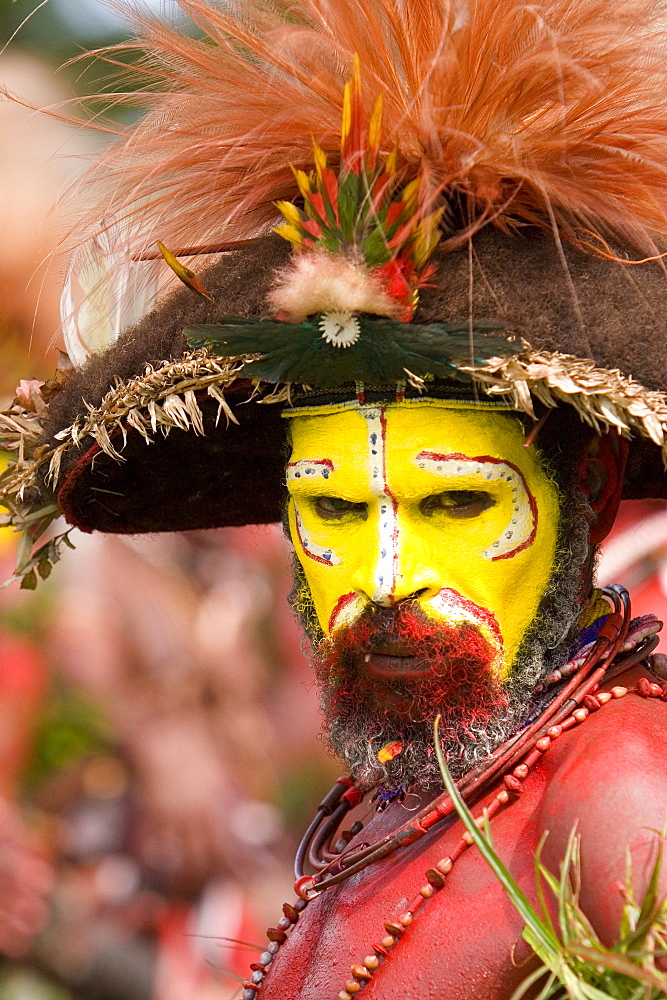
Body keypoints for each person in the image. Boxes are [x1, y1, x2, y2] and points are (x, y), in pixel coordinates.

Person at [1, 0, 667, 996]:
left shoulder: (616, 799)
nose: (386, 579)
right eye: (336, 512)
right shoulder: (400, 793)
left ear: (594, 487)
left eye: (453, 506)